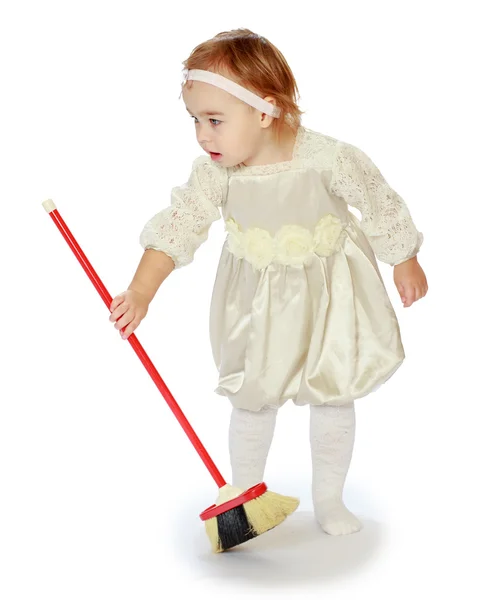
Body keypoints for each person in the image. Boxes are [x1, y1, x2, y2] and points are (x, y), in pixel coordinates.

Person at [109, 28, 428, 536]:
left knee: (333, 391)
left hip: (330, 295)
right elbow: (179, 223)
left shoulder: (327, 158)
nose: (202, 136)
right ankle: (245, 493)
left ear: (264, 110)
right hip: (256, 303)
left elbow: (378, 198)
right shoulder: (218, 173)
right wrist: (141, 291)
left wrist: (403, 256)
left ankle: (329, 498)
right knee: (251, 395)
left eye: (214, 120)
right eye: (194, 120)